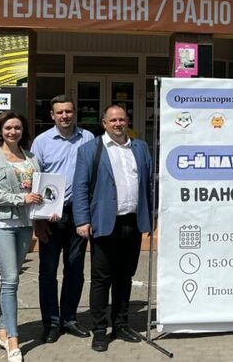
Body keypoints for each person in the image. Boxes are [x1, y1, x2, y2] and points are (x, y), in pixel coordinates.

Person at [72, 104, 153, 352]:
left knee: (125, 277)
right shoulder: (90, 150)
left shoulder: (140, 147)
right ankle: (99, 330)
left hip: (132, 221)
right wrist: (82, 220)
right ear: (104, 123)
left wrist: (151, 215)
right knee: (101, 279)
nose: (118, 124)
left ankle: (121, 325)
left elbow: (149, 183)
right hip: (104, 223)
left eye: (122, 119)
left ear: (127, 121)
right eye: (113, 120)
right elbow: (80, 187)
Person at [31, 95, 95, 342]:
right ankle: (50, 322)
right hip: (50, 216)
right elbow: (34, 180)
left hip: (78, 213)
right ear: (52, 115)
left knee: (75, 268)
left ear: (75, 112)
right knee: (48, 271)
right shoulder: (41, 142)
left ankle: (69, 318)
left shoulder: (88, 138)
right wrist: (37, 220)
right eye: (60, 112)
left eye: (68, 111)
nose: (65, 116)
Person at [0, 112, 43, 362]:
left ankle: (1, 331)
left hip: (26, 224)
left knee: (11, 279)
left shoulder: (31, 157)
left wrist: (46, 207)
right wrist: (20, 199)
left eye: (17, 127)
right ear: (0, 130)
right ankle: (13, 340)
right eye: (8, 128)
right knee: (10, 280)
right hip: (3, 223)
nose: (13, 132)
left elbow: (39, 189)